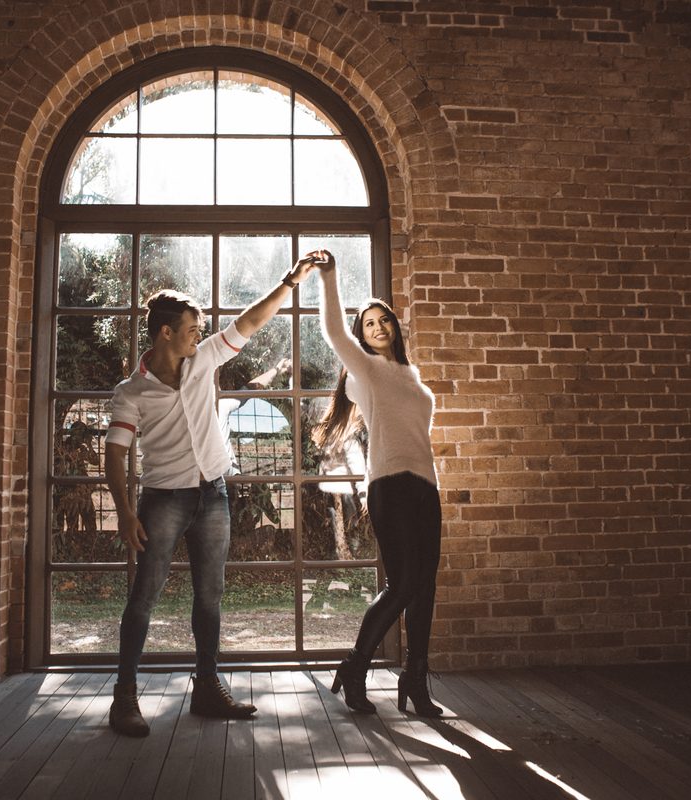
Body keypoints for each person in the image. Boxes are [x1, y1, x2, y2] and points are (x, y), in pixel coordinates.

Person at [103, 258, 317, 737]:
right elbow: (115, 453)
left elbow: (251, 322)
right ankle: (124, 697)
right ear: (165, 333)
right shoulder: (131, 392)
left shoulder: (203, 360)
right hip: (163, 499)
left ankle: (206, 687)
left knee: (211, 595)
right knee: (145, 596)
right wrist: (124, 513)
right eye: (191, 330)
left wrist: (289, 282)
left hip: (213, 494)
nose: (198, 336)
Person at [310, 249, 444, 717]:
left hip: (426, 487)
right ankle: (355, 666)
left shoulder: (411, 375)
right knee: (403, 584)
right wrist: (329, 276)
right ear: (363, 335)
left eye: (383, 319)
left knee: (425, 587)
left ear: (395, 327)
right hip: (389, 485)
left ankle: (416, 680)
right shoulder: (365, 369)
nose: (378, 327)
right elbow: (332, 331)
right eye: (368, 323)